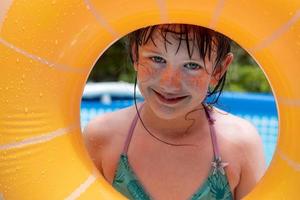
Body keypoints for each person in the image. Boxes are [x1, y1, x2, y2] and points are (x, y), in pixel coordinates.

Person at [83, 24, 266, 200]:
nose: (169, 83)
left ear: (219, 69)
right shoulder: (102, 137)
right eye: (157, 59)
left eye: (192, 65)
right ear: (135, 55)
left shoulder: (240, 145)